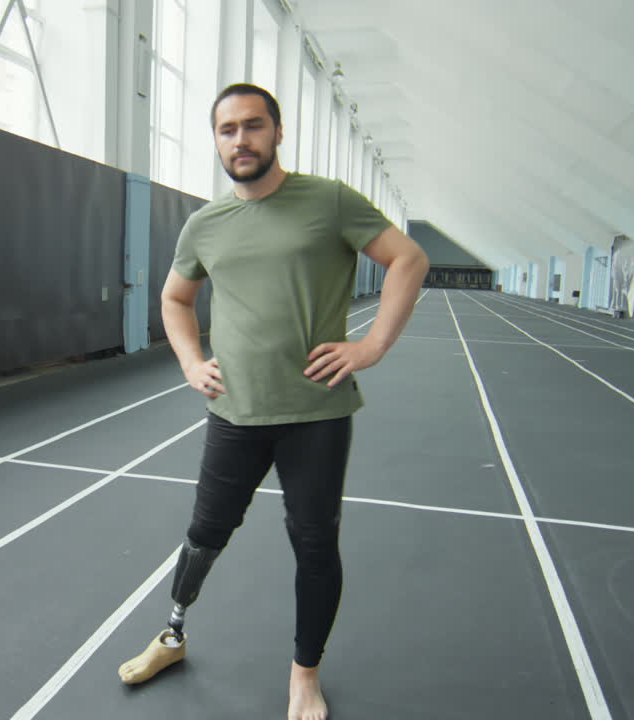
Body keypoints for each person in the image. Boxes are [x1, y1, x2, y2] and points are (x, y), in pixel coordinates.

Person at [118, 83, 429, 720]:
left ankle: (304, 675)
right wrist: (188, 359)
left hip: (316, 414)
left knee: (314, 544)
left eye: (253, 126)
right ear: (216, 140)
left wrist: (370, 347)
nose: (241, 140)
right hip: (235, 414)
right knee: (205, 533)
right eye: (227, 129)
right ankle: (173, 634)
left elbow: (409, 259)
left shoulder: (329, 201)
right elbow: (175, 299)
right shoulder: (205, 224)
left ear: (277, 132)